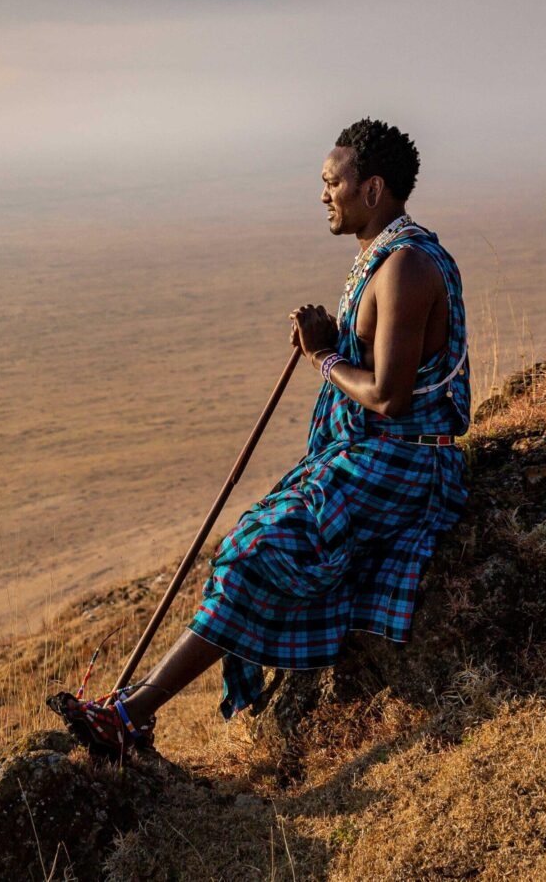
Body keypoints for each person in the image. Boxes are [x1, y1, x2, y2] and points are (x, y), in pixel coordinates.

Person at [49, 118, 470, 759]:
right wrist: (334, 337)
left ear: (373, 188)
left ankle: (130, 716)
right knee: (245, 541)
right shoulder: (381, 259)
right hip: (368, 457)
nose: (323, 194)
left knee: (256, 553)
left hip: (406, 463)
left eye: (333, 182)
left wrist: (324, 357)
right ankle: (135, 705)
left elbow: (389, 397)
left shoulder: (407, 267)